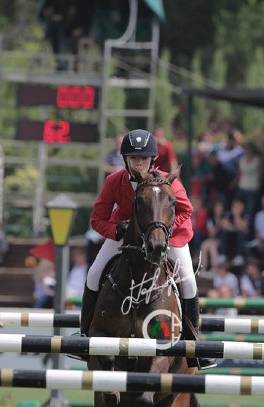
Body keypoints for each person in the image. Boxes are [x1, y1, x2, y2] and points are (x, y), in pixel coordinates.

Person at [81, 128, 214, 368]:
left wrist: (163, 231)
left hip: (168, 237)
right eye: (133, 158)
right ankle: (84, 336)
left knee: (188, 280)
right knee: (94, 272)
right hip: (127, 235)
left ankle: (194, 344)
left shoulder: (167, 182)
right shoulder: (114, 181)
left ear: (153, 159)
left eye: (143, 158)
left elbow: (187, 210)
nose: (138, 163)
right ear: (125, 160)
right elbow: (97, 219)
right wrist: (116, 231)